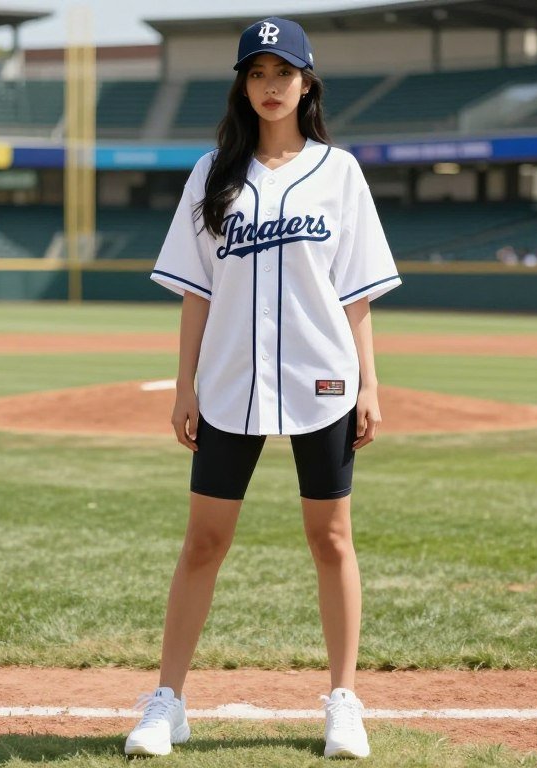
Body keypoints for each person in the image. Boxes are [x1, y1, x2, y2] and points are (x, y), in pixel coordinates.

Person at [126, 16, 401, 760]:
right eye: (257, 73)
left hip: (324, 378)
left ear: (307, 82)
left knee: (332, 538)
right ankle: (168, 703)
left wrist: (371, 384)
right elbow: (196, 294)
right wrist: (183, 386)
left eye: (284, 73)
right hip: (229, 383)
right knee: (204, 541)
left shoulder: (338, 172)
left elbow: (357, 296)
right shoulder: (212, 173)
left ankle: (344, 702)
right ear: (241, 85)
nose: (271, 86)